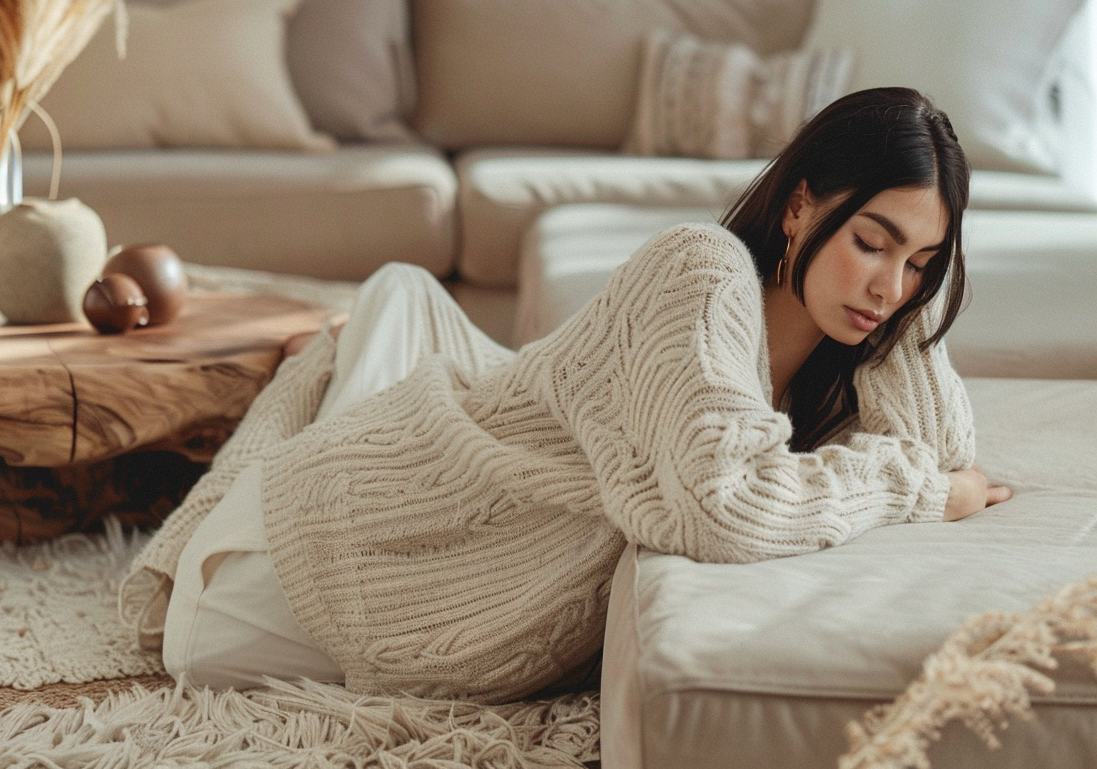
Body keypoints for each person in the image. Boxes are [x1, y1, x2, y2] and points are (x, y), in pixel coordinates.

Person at [143, 86, 1011, 703]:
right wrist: (925, 494)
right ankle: (345, 357)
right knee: (391, 316)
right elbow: (726, 508)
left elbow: (945, 445)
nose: (892, 287)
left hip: (422, 522)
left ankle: (365, 343)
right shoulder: (700, 270)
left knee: (398, 315)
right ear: (798, 208)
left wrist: (894, 314)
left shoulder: (853, 339)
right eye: (872, 240)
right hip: (286, 575)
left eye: (922, 265)